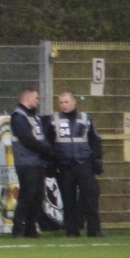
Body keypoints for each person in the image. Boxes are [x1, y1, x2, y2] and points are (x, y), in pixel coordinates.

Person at [47, 92, 102, 237]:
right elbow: (49, 143)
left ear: (74, 102)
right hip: (64, 164)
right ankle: (72, 230)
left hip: (84, 163)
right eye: (61, 103)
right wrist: (51, 163)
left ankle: (94, 229)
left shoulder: (86, 118)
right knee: (68, 199)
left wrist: (97, 159)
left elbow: (95, 140)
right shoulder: (54, 120)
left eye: (66, 102)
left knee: (90, 197)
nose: (63, 105)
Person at [8, 88, 53, 238]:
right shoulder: (18, 117)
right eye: (36, 98)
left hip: (37, 162)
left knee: (38, 196)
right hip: (26, 163)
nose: (38, 101)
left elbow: (41, 137)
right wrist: (46, 150)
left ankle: (31, 228)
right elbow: (27, 139)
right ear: (27, 99)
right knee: (27, 195)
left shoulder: (34, 117)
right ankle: (18, 228)